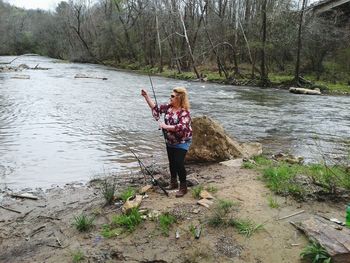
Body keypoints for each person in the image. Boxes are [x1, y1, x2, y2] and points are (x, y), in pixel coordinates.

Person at [141, 87, 192, 197]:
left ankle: (183, 187)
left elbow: (182, 127)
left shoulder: (184, 113)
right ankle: (173, 183)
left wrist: (165, 126)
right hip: (170, 140)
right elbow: (155, 108)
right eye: (171, 95)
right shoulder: (168, 107)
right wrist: (146, 96)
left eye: (173, 96)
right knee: (172, 163)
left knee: (179, 163)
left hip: (183, 141)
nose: (170, 97)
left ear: (179, 98)